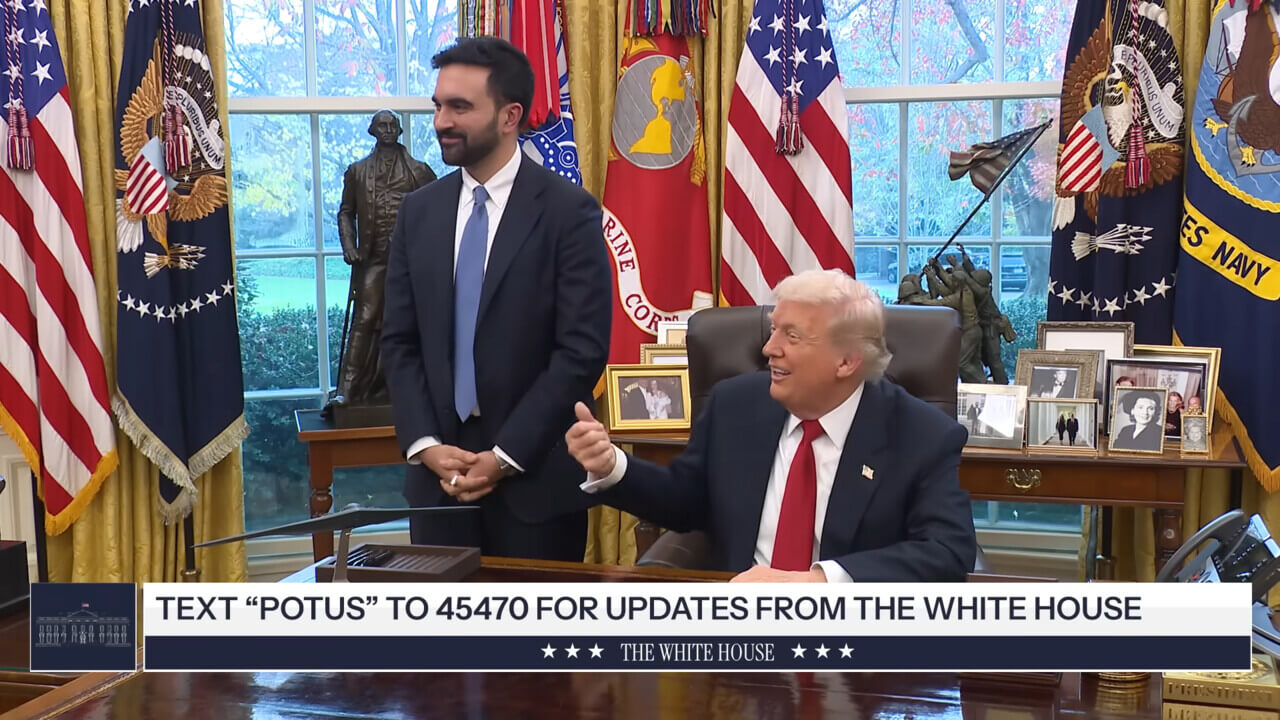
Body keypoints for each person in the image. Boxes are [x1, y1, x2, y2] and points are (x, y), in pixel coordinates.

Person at [566, 270, 978, 582]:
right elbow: (686, 500)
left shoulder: (920, 434)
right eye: (773, 329)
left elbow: (947, 551)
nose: (768, 349)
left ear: (847, 361)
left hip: (854, 651)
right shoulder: (736, 405)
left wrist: (815, 583)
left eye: (792, 336)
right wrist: (611, 467)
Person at [381, 37, 612, 560]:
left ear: (510, 116)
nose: (441, 121)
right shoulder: (418, 212)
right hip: (437, 490)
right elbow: (398, 342)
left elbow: (580, 352)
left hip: (536, 490)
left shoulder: (569, 213)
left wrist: (504, 457)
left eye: (460, 107)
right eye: (438, 105)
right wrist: (424, 444)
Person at [333, 110, 436, 405]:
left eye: (393, 125)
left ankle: (413, 388)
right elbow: (346, 212)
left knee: (412, 321)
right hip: (373, 258)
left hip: (410, 263)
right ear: (373, 130)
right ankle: (347, 391)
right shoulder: (358, 171)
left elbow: (439, 212)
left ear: (400, 130)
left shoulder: (419, 171)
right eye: (383, 125)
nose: (388, 130)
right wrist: (348, 246)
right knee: (364, 318)